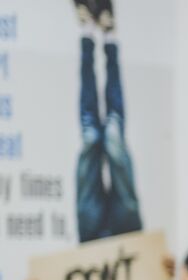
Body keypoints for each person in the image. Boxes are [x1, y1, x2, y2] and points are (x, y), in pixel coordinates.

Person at [73, 0, 142, 244]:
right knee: (112, 132)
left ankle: (87, 34)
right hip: (125, 232)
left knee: (91, 134)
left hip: (94, 236)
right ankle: (109, 37)